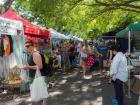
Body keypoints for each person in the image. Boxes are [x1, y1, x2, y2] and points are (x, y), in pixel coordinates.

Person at [21, 40, 47, 105]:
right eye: (26, 46)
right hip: (33, 77)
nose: (27, 48)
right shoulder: (31, 54)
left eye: (28, 46)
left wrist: (28, 67)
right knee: (35, 96)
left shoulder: (35, 54)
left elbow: (40, 66)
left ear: (32, 46)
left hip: (36, 77)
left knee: (37, 97)